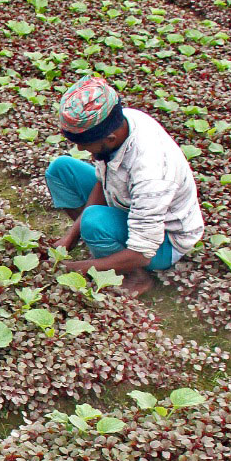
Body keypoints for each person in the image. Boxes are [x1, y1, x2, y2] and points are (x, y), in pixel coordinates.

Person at [44, 76, 205, 298]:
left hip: (165, 240)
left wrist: (77, 268)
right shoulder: (121, 122)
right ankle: (103, 239)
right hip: (127, 202)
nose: (80, 147)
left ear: (109, 138)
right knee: (61, 170)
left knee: (93, 220)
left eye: (84, 143)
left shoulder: (152, 173)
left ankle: (136, 276)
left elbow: (142, 253)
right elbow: (103, 182)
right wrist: (71, 237)